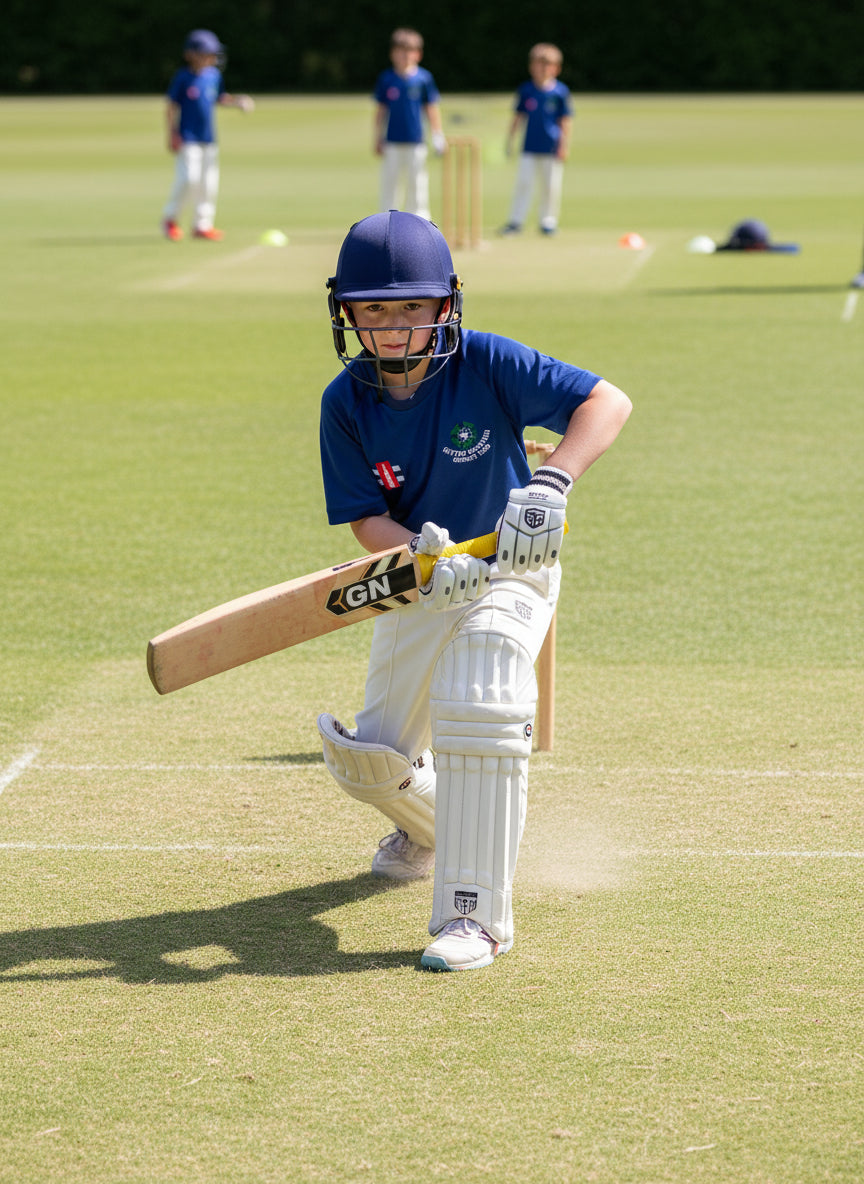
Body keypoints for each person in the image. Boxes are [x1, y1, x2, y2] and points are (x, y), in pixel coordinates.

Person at [316, 210, 632, 972]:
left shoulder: (487, 362)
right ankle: (428, 831)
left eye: (412, 308)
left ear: (446, 305)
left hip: (514, 565)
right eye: (375, 310)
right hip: (422, 581)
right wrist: (423, 557)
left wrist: (552, 480)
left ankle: (474, 917)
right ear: (346, 313)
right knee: (369, 761)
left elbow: (607, 402)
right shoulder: (345, 401)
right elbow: (363, 517)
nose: (394, 327)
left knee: (482, 682)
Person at [161, 29, 254, 242]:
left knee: (208, 182)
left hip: (208, 139)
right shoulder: (183, 77)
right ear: (191, 54)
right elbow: (171, 107)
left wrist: (238, 101)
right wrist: (172, 134)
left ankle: (202, 224)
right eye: (206, 53)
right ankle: (171, 218)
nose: (211, 57)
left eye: (213, 53)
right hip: (187, 138)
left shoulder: (214, 76)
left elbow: (220, 98)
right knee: (188, 179)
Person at [373, 28, 446, 221]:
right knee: (391, 182)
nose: (405, 55)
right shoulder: (387, 79)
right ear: (392, 54)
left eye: (409, 51)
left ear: (418, 54)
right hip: (392, 140)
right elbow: (381, 111)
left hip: (416, 140)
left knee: (417, 181)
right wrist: (377, 137)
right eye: (400, 50)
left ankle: (420, 220)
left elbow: (431, 108)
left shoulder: (423, 78)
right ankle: (387, 221)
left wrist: (438, 135)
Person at [500, 43, 573, 237]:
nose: (542, 69)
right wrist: (510, 141)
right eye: (538, 64)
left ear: (556, 68)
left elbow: (564, 121)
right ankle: (516, 221)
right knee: (524, 184)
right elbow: (518, 117)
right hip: (529, 147)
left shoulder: (560, 92)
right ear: (531, 67)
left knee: (550, 187)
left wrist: (564, 145)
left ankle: (547, 222)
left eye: (547, 65)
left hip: (551, 147)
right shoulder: (526, 90)